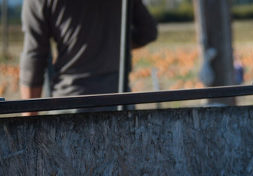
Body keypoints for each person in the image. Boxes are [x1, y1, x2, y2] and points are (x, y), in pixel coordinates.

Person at [19, 0, 157, 102]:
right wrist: (113, 42)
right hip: (118, 98)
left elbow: (34, 56)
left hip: (70, 101)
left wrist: (29, 117)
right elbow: (148, 32)